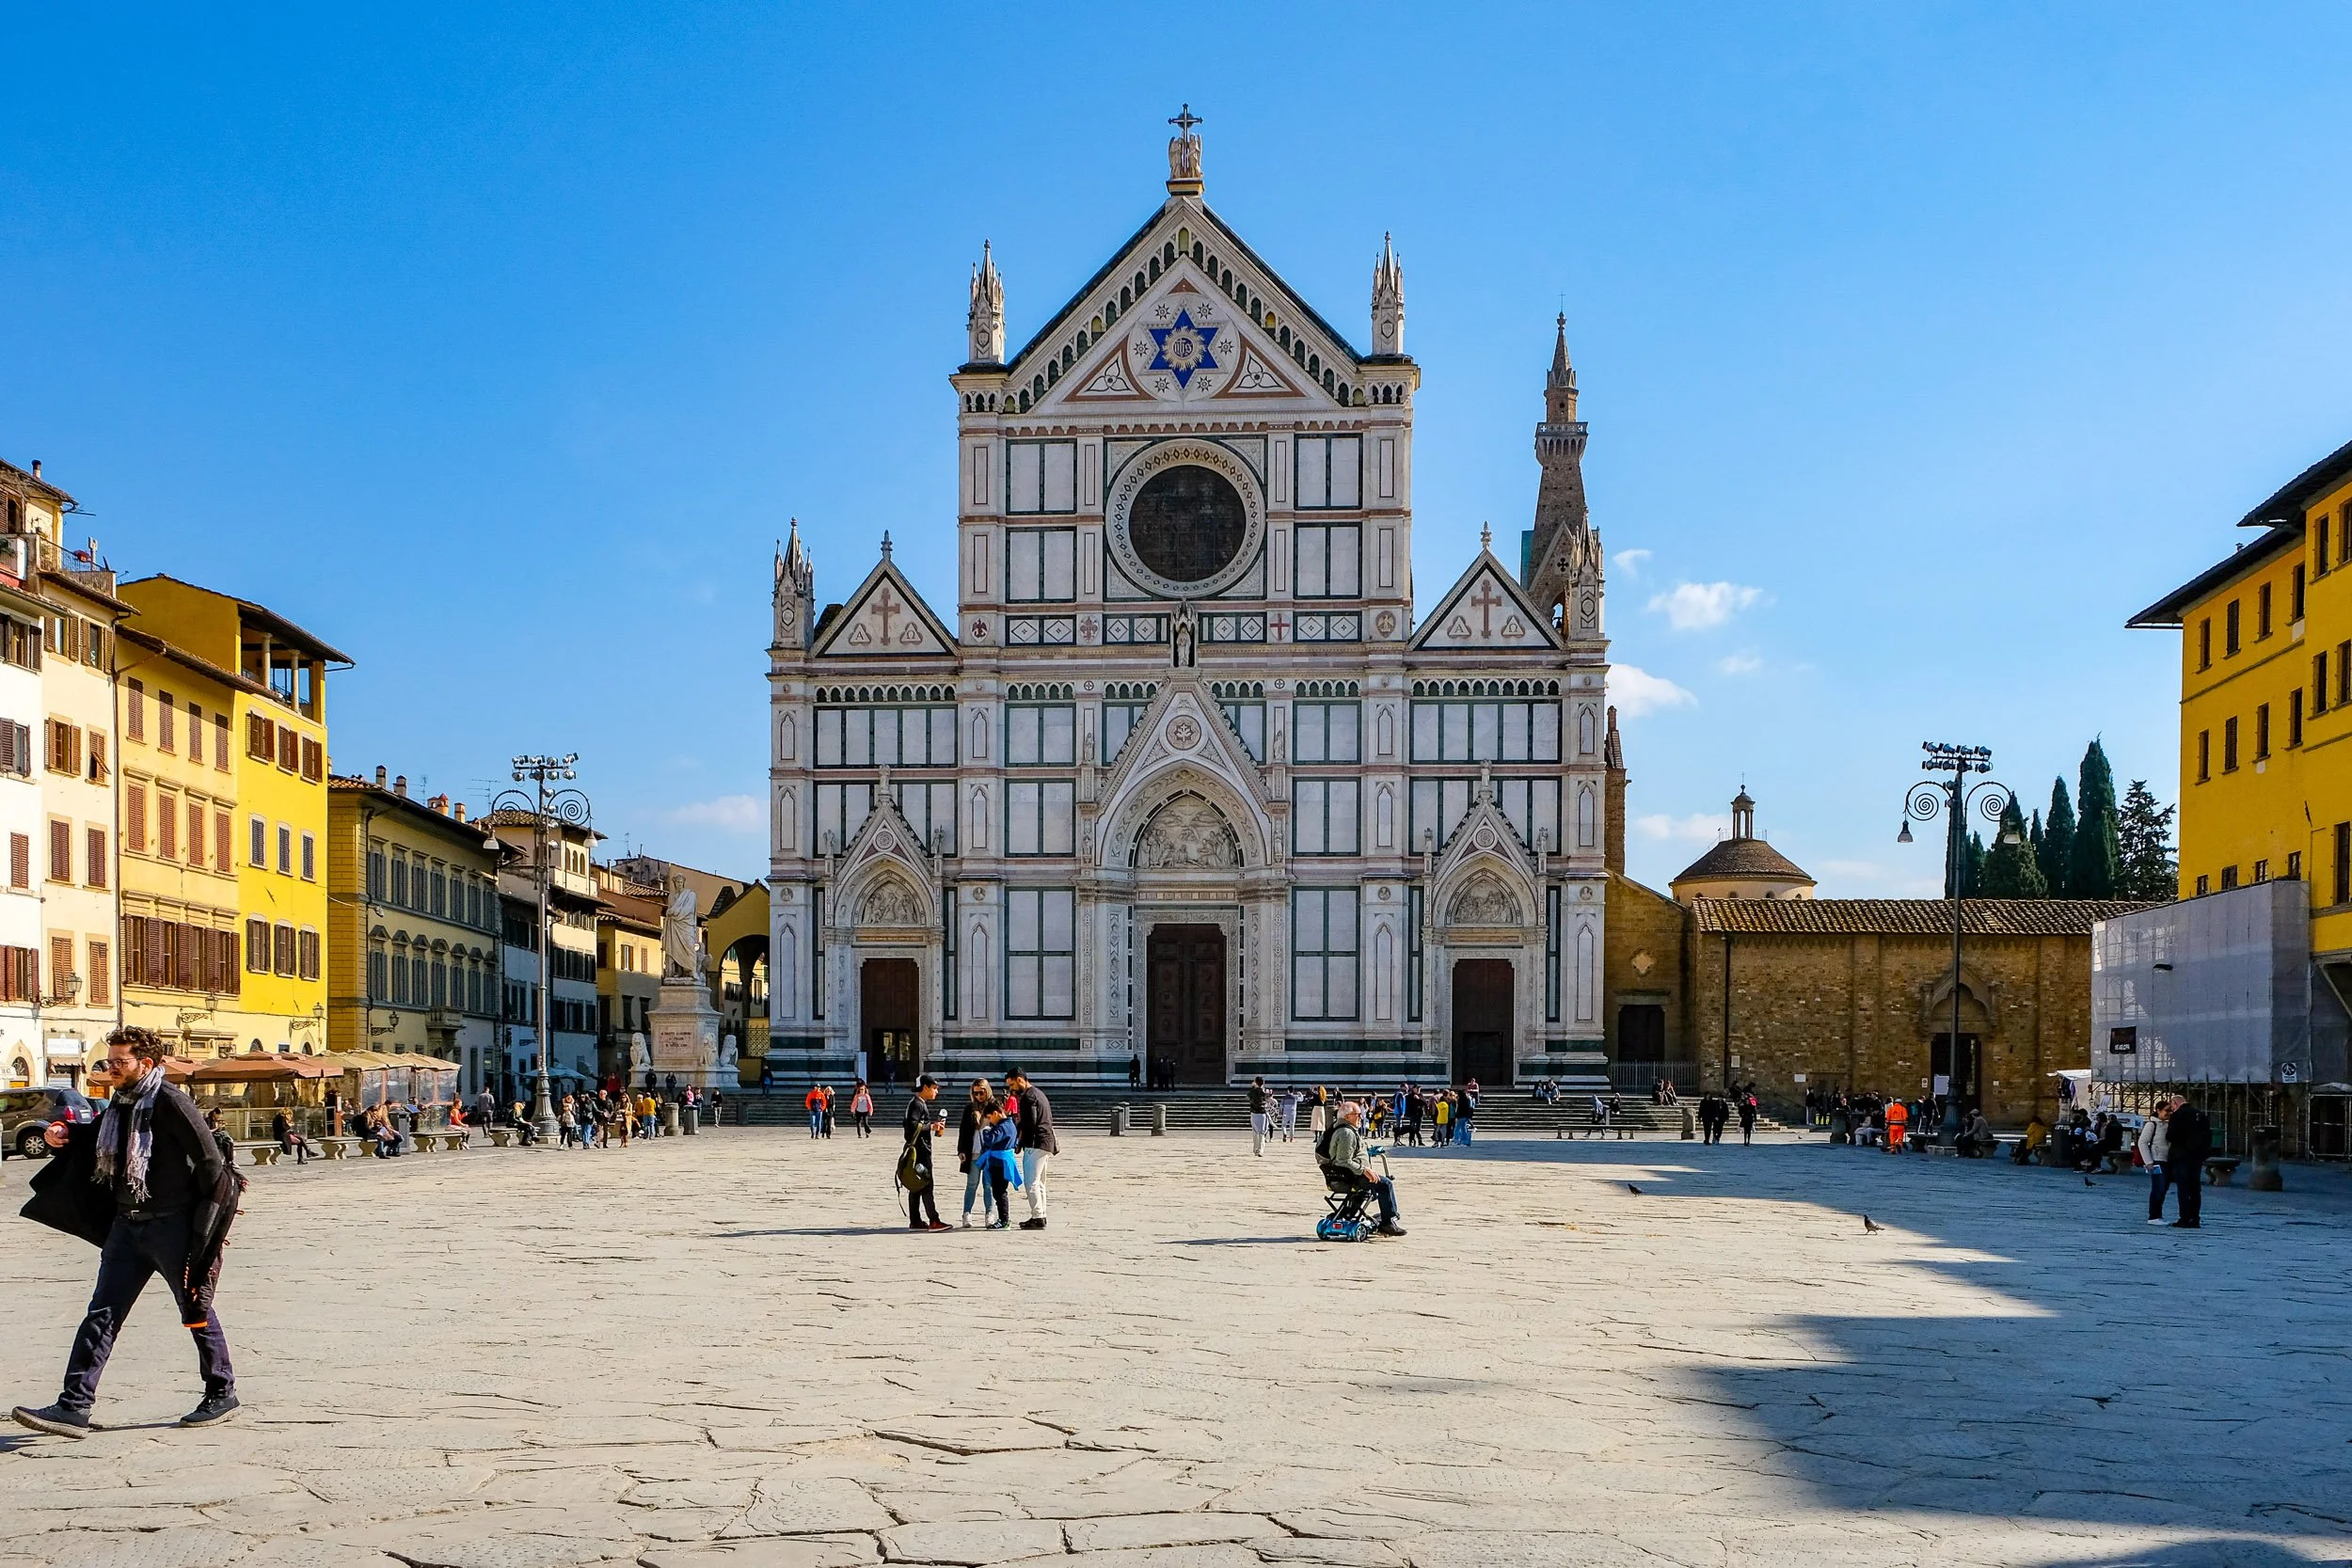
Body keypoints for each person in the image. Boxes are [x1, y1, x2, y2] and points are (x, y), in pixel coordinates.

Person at [13, 1026, 243, 1435]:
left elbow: (211, 1162)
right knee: (101, 1314)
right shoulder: (121, 1102)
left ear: (146, 1064)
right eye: (110, 1061)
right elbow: (100, 1134)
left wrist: (202, 1229)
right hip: (127, 1226)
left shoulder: (172, 1102)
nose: (112, 1068)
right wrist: (68, 1133)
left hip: (171, 1226)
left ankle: (221, 1390)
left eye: (121, 1062)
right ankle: (74, 1405)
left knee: (194, 1307)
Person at [1317, 1101, 1405, 1237]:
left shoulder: (1339, 1129)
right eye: (1357, 1114)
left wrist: (1369, 1149)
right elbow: (1343, 1160)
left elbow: (1356, 1146)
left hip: (1341, 1177)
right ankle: (1388, 1222)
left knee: (1370, 1190)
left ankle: (1347, 1213)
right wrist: (1364, 1170)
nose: (1361, 1117)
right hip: (1351, 1177)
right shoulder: (1346, 1133)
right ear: (1347, 1116)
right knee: (1385, 1184)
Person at [1004, 1068, 1058, 1229]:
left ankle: (1037, 1216)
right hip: (1046, 1142)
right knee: (1040, 1183)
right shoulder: (1038, 1093)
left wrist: (1017, 1136)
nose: (1011, 1089)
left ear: (1020, 1080)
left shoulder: (1028, 1097)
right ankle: (1041, 1214)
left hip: (1036, 1142)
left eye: (1012, 1085)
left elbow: (1030, 1122)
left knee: (1031, 1182)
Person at [899, 1076, 949, 1232]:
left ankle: (915, 1221)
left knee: (916, 1186)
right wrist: (931, 1127)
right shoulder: (917, 1104)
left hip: (917, 1149)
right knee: (927, 1185)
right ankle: (934, 1220)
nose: (936, 1091)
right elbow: (912, 1125)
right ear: (925, 1087)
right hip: (921, 1151)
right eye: (934, 1088)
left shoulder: (917, 1103)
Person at [2164, 1097, 2213, 1228]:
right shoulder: (2200, 1115)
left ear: (2175, 1103)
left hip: (2181, 1155)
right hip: (2196, 1156)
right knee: (2195, 1189)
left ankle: (2184, 1218)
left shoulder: (2177, 1115)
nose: (2172, 1109)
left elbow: (2171, 1136)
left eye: (2172, 1106)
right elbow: (2208, 1136)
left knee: (2183, 1188)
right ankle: (2195, 1218)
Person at [973, 1101, 1023, 1229]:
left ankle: (1004, 1220)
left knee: (999, 1192)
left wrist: (986, 1130)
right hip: (1002, 1161)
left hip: (999, 1163)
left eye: (990, 1118)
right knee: (1000, 1191)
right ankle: (1003, 1219)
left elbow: (990, 1140)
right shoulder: (1010, 1124)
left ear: (995, 1113)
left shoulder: (1002, 1127)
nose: (990, 1121)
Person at [955, 1080, 993, 1227]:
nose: (978, 1096)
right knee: (972, 1184)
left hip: (990, 1152)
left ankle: (990, 1214)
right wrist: (961, 1150)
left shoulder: (994, 1106)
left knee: (989, 1185)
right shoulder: (969, 1108)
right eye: (975, 1093)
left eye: (981, 1092)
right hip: (973, 1151)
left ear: (987, 1091)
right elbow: (963, 1131)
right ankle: (967, 1214)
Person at [2137, 1102, 2173, 1222]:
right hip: (2156, 1160)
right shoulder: (2151, 1124)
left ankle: (2158, 1214)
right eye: (2166, 1110)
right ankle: (2154, 1216)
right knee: (2158, 1188)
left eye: (2170, 1111)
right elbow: (2142, 1142)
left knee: (2163, 1189)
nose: (2168, 1113)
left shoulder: (2168, 1125)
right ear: (2158, 1110)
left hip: (2167, 1159)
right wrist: (2148, 1161)